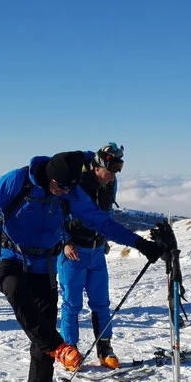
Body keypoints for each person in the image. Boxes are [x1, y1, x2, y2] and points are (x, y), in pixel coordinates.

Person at [0, 150, 164, 382]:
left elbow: (101, 221)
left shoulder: (70, 192)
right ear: (49, 176)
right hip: (12, 256)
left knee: (42, 323)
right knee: (15, 291)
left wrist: (139, 243)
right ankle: (59, 347)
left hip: (44, 264)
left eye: (68, 188)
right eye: (59, 186)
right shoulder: (18, 181)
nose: (62, 192)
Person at [57, 143, 125, 369]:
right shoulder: (76, 183)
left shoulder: (110, 183)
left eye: (116, 171)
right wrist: (65, 241)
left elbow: (106, 213)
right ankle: (70, 350)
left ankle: (105, 348)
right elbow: (58, 211)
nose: (112, 177)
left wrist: (104, 238)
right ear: (98, 166)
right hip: (73, 252)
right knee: (72, 304)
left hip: (96, 251)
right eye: (110, 171)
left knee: (101, 303)